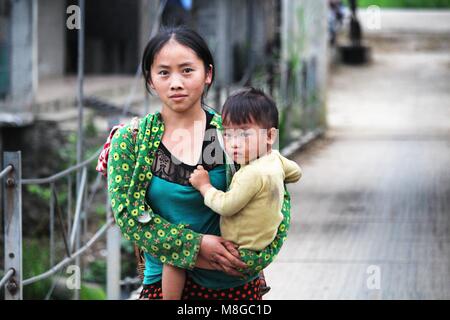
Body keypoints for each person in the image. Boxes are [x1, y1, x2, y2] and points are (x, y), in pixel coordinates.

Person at [102, 26, 294, 300]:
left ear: (208, 74)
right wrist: (195, 247)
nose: (176, 82)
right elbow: (128, 215)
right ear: (150, 79)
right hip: (163, 287)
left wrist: (253, 259)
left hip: (231, 285)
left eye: (187, 70)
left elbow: (277, 202)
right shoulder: (132, 141)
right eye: (164, 72)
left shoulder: (232, 136)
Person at [161, 87, 302, 299]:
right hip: (262, 247)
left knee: (175, 258)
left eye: (244, 134)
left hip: (241, 253)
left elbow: (226, 206)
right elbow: (296, 173)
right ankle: (259, 281)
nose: (233, 143)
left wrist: (204, 186)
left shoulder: (251, 174)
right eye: (227, 134)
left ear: (270, 136)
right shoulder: (275, 160)